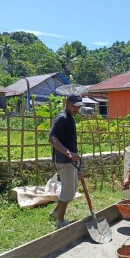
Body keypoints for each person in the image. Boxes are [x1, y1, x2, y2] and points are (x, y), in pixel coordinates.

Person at [48, 93, 84, 228]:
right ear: (66, 103)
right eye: (74, 106)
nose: (76, 109)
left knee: (72, 188)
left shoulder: (70, 117)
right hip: (64, 160)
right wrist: (69, 153)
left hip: (70, 160)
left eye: (78, 106)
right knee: (68, 191)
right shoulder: (62, 118)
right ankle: (60, 221)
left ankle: (56, 213)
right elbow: (52, 138)